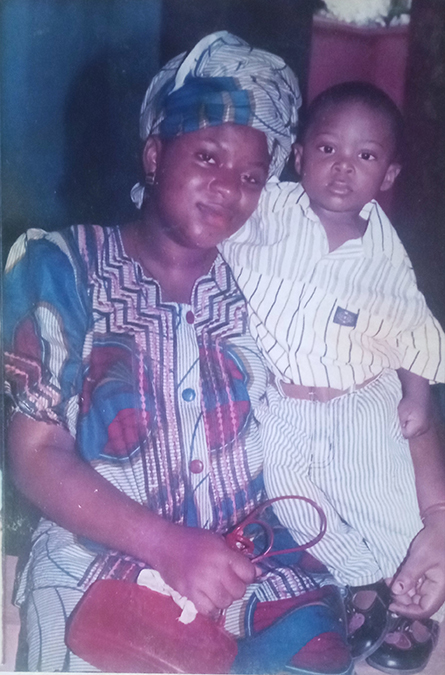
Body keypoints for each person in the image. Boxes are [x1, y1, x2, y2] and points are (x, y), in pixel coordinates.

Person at [4, 32, 356, 675]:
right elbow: (35, 456)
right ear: (155, 153)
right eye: (207, 157)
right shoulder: (64, 266)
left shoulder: (266, 285)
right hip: (101, 557)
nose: (230, 188)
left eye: (253, 175)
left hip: (257, 567)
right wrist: (168, 546)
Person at [220, 81, 445, 671]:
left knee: (384, 499)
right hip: (285, 401)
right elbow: (215, 226)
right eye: (327, 150)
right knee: (292, 496)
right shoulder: (268, 209)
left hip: (359, 400)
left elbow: (415, 328)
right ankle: (362, 580)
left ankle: (414, 596)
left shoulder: (384, 251)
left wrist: (417, 395)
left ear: (388, 175)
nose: (344, 170)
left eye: (365, 157)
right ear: (298, 157)